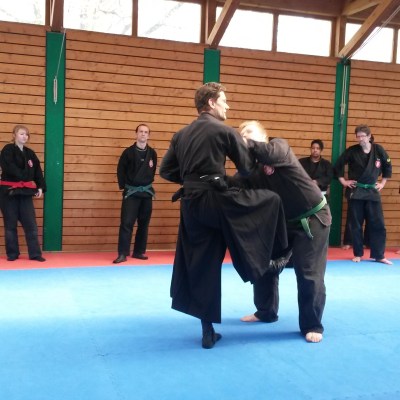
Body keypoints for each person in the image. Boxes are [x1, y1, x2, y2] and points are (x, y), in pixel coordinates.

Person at [159, 83, 288, 349]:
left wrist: (191, 179)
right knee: (271, 201)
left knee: (203, 263)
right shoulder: (223, 131)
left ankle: (207, 332)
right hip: (215, 201)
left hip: (191, 205)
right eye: (224, 100)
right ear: (211, 103)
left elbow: (165, 171)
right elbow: (247, 167)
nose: (227, 105)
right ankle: (274, 259)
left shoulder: (180, 135)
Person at [234, 121, 331, 343]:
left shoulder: (279, 147)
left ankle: (312, 324)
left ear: (263, 137)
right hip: (283, 223)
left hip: (313, 218)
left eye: (249, 132)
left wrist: (243, 142)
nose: (244, 136)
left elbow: (268, 153)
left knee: (308, 272)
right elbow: (231, 186)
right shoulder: (251, 171)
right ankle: (266, 311)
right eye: (241, 133)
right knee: (262, 261)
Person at [334, 124, 392, 264]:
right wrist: (344, 181)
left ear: (369, 136)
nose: (360, 139)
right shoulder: (352, 151)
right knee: (356, 224)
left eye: (363, 136)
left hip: (372, 191)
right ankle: (358, 254)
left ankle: (379, 255)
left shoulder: (378, 150)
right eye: (358, 136)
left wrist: (383, 183)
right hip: (357, 192)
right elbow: (338, 165)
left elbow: (387, 166)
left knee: (378, 224)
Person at [0, 125, 46, 262]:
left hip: (25, 192)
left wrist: (40, 187)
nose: (25, 136)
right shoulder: (7, 150)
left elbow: (37, 171)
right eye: (21, 134)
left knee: (31, 224)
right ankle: (12, 254)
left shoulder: (30, 153)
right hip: (9, 192)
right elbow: (9, 168)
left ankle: (35, 254)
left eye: (26, 134)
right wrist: (25, 177)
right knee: (10, 225)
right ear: (14, 135)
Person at [113, 124, 157, 263]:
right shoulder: (128, 153)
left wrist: (145, 183)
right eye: (141, 131)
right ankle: (123, 253)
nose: (143, 134)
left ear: (148, 135)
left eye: (146, 132)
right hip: (131, 193)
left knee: (144, 224)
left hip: (146, 193)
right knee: (126, 223)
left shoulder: (152, 153)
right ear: (136, 134)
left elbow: (152, 171)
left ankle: (138, 251)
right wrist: (124, 187)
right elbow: (120, 170)